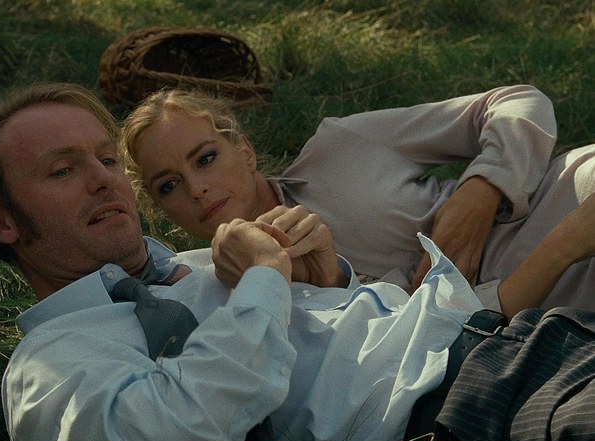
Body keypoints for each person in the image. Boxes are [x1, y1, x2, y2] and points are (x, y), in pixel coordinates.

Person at [0, 82, 595, 441]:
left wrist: (332, 281)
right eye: (64, 170)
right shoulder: (51, 363)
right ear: (3, 221)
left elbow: (361, 333)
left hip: (515, 341)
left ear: (245, 148)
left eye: (104, 159)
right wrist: (264, 278)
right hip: (450, 407)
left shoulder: (200, 267)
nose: (102, 180)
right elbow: (168, 440)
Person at [119, 86, 595, 312]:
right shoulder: (242, 297)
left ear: (243, 149)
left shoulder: (340, 147)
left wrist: (482, 191)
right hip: (546, 318)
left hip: (568, 201)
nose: (196, 188)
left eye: (205, 159)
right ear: (162, 212)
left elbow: (516, 103)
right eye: (169, 186)